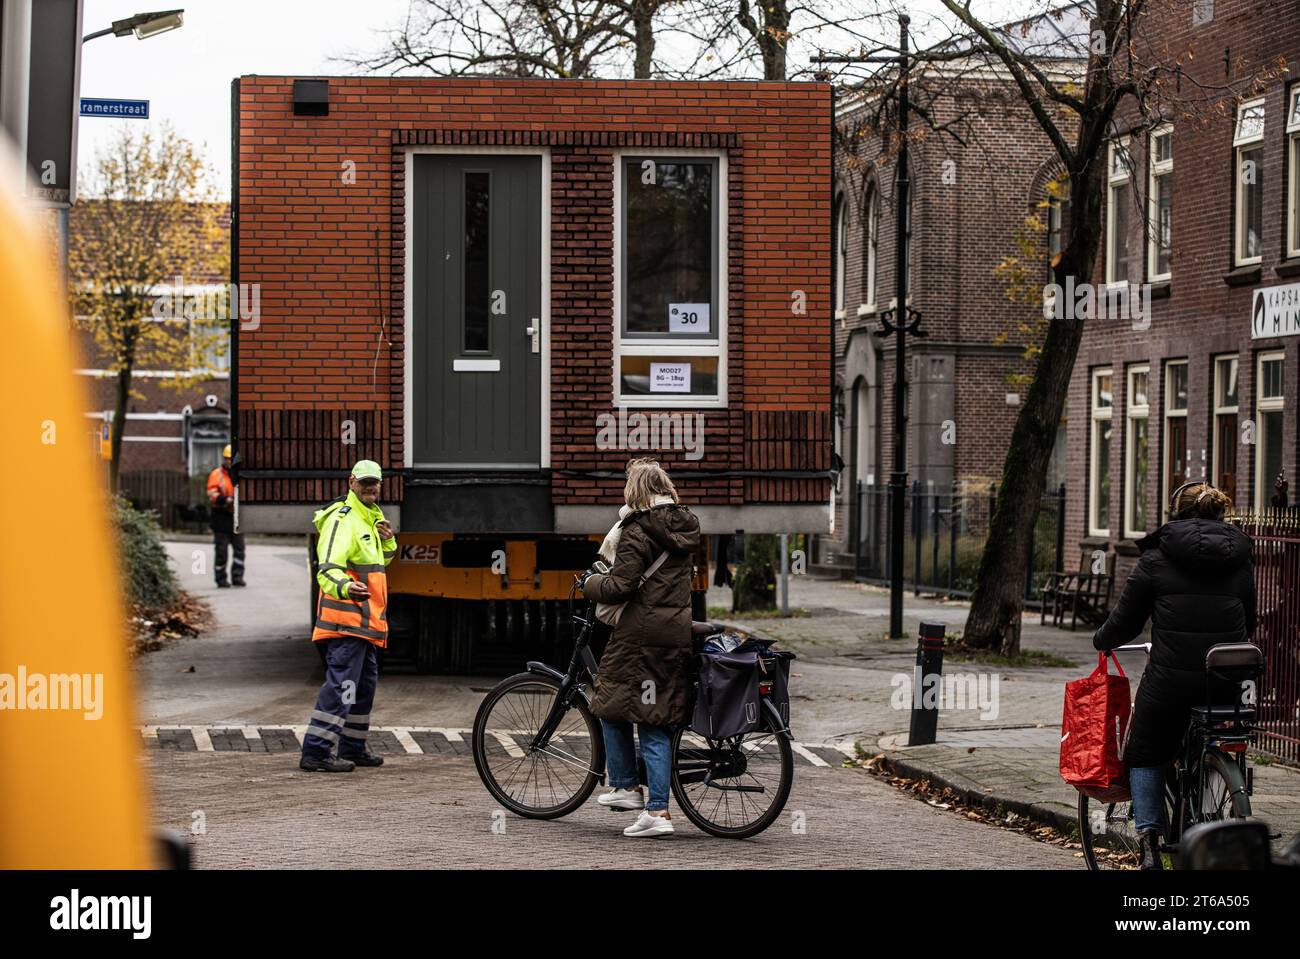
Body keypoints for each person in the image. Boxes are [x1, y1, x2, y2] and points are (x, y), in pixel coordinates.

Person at [1092, 482, 1256, 869]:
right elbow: (1248, 619)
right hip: (1227, 677)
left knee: (1145, 749)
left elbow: (1126, 620)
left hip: (1171, 679)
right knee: (1211, 727)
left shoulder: (1156, 558)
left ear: (1175, 513)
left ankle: (1149, 844)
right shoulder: (1241, 556)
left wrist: (1103, 640)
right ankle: (1212, 808)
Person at [579, 459, 700, 837]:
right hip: (674, 632)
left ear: (637, 491)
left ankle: (648, 804)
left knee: (610, 703)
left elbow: (621, 586)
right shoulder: (686, 525)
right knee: (654, 716)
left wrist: (589, 584)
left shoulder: (637, 529)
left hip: (641, 634)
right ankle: (633, 791)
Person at [299, 460, 398, 773]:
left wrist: (389, 541)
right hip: (347, 621)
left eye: (374, 483)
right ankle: (315, 752)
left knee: (363, 686)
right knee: (342, 685)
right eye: (364, 482)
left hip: (367, 622)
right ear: (351, 481)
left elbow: (378, 564)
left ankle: (353, 747)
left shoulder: (373, 517)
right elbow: (327, 567)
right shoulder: (343, 518)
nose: (370, 487)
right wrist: (345, 588)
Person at [206, 444, 245, 588]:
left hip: (237, 517)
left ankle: (237, 577)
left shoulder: (241, 474)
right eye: (228, 459)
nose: (230, 461)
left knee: (239, 549)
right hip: (221, 517)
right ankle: (221, 578)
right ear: (224, 459)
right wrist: (226, 500)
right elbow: (212, 493)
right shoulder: (217, 475)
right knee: (221, 551)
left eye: (232, 459)